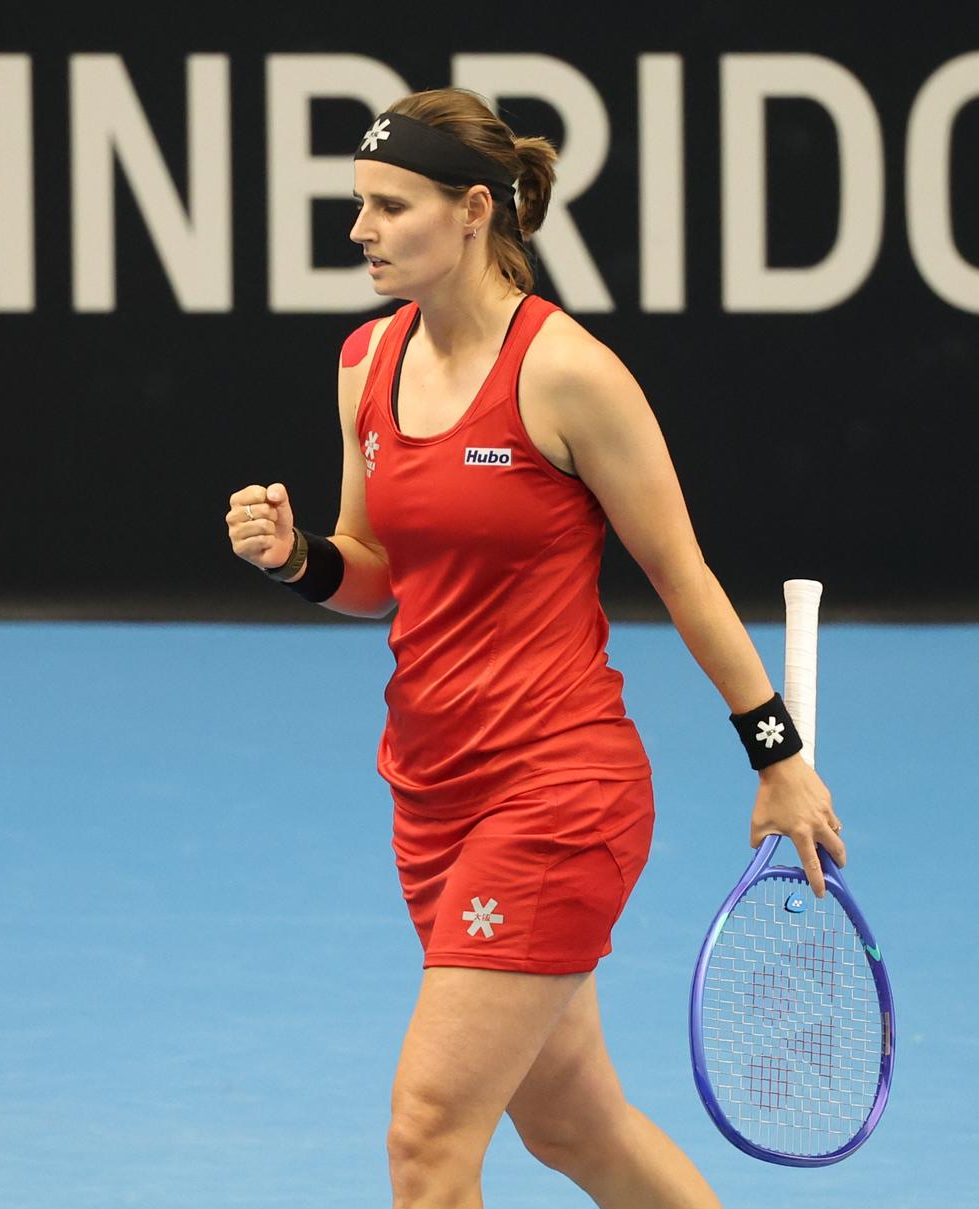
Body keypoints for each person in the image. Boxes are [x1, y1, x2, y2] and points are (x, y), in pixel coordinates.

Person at [224, 89, 844, 1209]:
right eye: (356, 204)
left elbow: (684, 577)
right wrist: (299, 558)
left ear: (471, 211)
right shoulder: (366, 363)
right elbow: (374, 569)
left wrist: (778, 756)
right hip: (431, 796)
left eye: (386, 205)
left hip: (559, 793)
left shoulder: (568, 374)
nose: (358, 229)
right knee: (574, 1125)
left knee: (426, 1139)